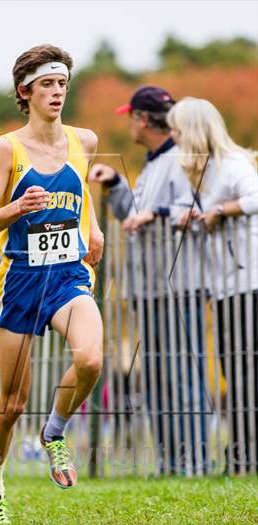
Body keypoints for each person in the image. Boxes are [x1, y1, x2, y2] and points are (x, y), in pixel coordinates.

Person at [0, 44, 104, 525]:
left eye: (63, 83)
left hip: (68, 275)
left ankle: (55, 432)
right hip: (21, 278)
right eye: (47, 84)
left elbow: (82, 192)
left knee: (90, 358)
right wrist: (16, 208)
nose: (57, 92)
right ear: (24, 92)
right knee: (11, 403)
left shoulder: (84, 140)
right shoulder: (6, 149)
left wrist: (93, 230)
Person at [89, 86, 210, 475]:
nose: (129, 122)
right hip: (150, 291)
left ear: (143, 119)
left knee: (184, 377)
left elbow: (198, 210)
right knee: (157, 379)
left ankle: (194, 463)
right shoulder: (153, 163)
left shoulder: (182, 160)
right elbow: (134, 217)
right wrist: (116, 186)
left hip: (181, 289)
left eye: (131, 116)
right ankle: (170, 463)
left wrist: (157, 212)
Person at [167, 97, 258, 474]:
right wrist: (189, 217)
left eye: (175, 128)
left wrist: (220, 211)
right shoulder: (195, 173)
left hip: (250, 282)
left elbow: (255, 197)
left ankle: (245, 457)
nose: (171, 136)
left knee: (246, 371)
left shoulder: (234, 164)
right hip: (222, 287)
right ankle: (240, 456)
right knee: (230, 370)